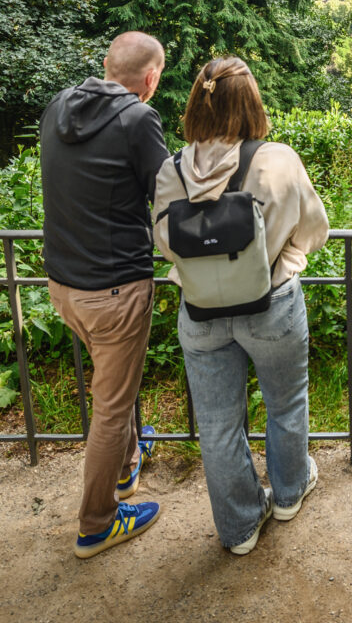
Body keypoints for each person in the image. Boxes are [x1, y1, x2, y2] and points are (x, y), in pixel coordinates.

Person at [153, 57, 328, 555]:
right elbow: (315, 230)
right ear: (252, 103)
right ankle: (291, 493)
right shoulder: (277, 159)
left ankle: (240, 528)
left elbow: (166, 244)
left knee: (218, 424)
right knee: (286, 403)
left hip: (201, 313)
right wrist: (285, 255)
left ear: (196, 103)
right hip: (270, 303)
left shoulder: (171, 171)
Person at [41, 31, 168, 558]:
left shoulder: (57, 108)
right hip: (115, 290)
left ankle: (124, 468)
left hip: (64, 286)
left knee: (114, 389)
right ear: (151, 78)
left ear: (104, 65)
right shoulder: (138, 120)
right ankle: (97, 523)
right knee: (112, 409)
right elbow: (168, 192)